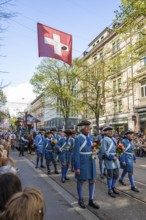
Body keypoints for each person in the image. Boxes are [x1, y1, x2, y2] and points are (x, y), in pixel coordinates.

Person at [73, 120, 100, 209]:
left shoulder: (91, 137)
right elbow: (76, 154)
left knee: (92, 181)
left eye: (89, 127)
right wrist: (77, 167)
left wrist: (96, 151)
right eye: (86, 127)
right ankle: (80, 199)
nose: (88, 128)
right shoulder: (78, 138)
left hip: (91, 162)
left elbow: (95, 148)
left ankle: (91, 200)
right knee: (80, 181)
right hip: (83, 163)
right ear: (82, 128)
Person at [101, 126, 120, 198]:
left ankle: (113, 186)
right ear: (106, 132)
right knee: (110, 175)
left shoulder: (114, 139)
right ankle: (109, 189)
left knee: (116, 174)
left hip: (115, 158)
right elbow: (104, 151)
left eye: (111, 130)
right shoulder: (104, 140)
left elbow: (117, 148)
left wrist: (118, 153)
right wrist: (112, 157)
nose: (111, 132)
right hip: (109, 159)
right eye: (109, 131)